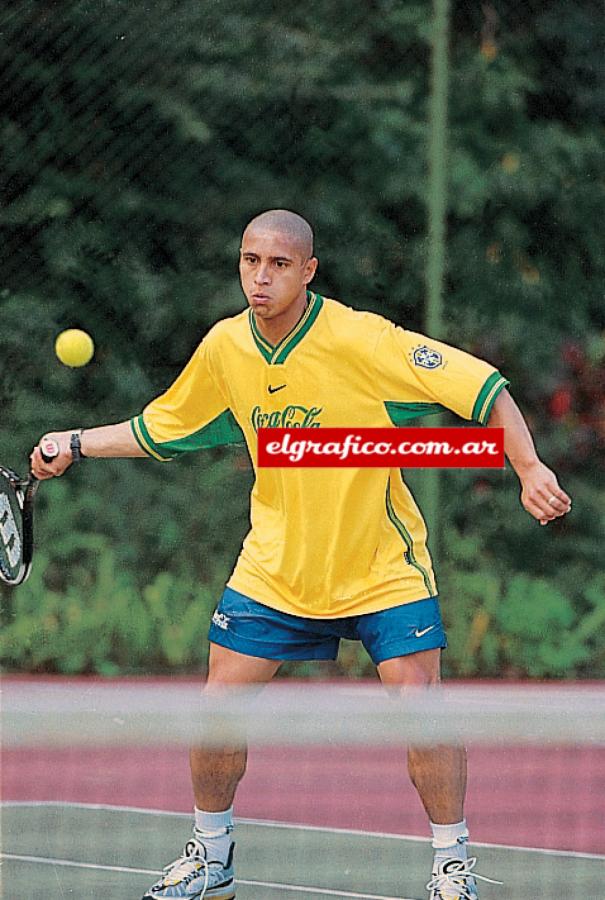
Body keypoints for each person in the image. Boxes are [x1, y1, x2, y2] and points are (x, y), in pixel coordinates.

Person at [32, 209, 572, 900]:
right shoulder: (226, 347)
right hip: (275, 568)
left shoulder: (360, 338)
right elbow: (162, 428)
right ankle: (212, 854)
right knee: (215, 712)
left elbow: (483, 387)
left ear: (308, 271)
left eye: (279, 264)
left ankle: (450, 865)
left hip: (379, 567)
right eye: (250, 260)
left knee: (422, 711)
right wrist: (74, 442)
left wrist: (527, 468)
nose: (261, 276)